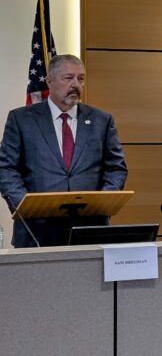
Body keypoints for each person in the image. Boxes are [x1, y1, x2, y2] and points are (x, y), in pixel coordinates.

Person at [0, 54, 128, 247]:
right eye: (68, 78)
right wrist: (25, 205)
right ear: (49, 81)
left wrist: (102, 202)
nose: (75, 84)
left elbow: (116, 168)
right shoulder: (21, 119)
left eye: (81, 78)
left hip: (90, 229)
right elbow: (6, 169)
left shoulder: (102, 120)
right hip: (36, 230)